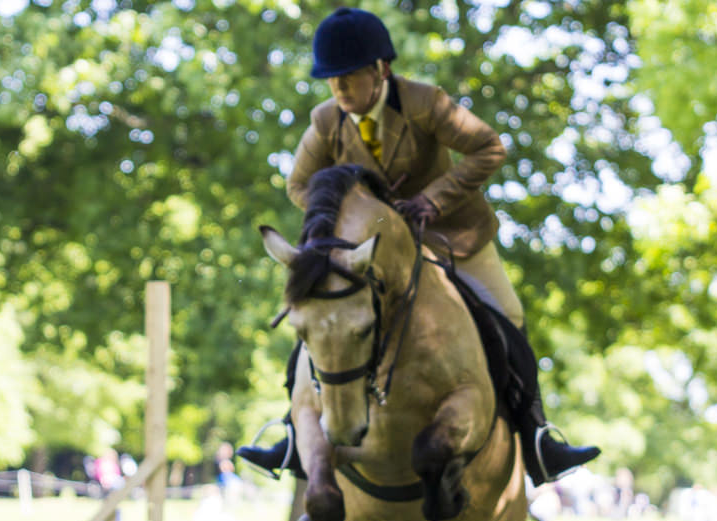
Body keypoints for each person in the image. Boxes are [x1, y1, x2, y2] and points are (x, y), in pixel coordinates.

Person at [238, 7, 598, 486]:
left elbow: (489, 147)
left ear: (380, 70)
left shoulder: (426, 103)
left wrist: (433, 198)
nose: (340, 90)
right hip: (369, 252)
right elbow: (299, 185)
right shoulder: (326, 120)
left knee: (507, 316)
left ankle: (538, 439)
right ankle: (291, 434)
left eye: (349, 78)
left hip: (452, 236)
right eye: (332, 80)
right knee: (321, 322)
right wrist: (351, 218)